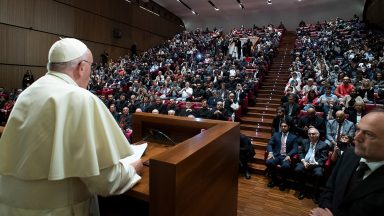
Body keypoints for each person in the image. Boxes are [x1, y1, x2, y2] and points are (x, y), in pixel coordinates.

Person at [0, 38, 143, 215]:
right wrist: (132, 169)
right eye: (91, 66)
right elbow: (105, 181)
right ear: (81, 67)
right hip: (55, 209)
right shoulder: (80, 98)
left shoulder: (27, 93)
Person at [311, 109, 384, 216]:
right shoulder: (349, 154)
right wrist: (324, 209)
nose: (356, 137)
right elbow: (329, 189)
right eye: (357, 130)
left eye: (369, 134)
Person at [295, 127, 329, 201]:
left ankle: (315, 193)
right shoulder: (304, 141)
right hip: (305, 162)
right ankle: (302, 191)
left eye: (313, 134)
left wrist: (314, 164)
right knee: (298, 169)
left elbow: (323, 158)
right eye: (309, 134)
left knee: (318, 174)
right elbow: (300, 153)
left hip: (316, 164)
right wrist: (304, 162)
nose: (311, 135)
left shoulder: (324, 145)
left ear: (318, 135)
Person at [266, 121, 298, 191]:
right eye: (282, 126)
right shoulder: (276, 135)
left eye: (285, 126)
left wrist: (289, 155)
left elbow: (295, 148)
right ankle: (274, 180)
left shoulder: (293, 137)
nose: (283, 128)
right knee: (269, 162)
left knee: (286, 166)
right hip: (276, 155)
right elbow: (270, 144)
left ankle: (283, 182)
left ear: (288, 127)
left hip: (285, 156)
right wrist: (270, 152)